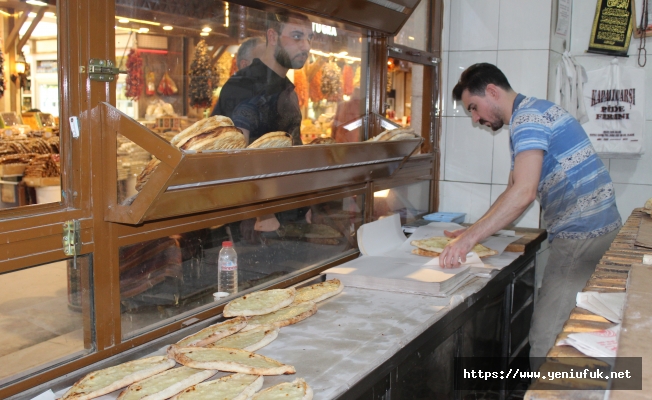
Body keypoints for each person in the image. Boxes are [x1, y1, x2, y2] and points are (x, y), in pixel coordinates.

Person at [442, 63, 621, 372]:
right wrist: (470, 232)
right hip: (598, 231)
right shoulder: (535, 110)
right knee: (580, 338)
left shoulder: (526, 120)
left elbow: (524, 193)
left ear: (493, 92)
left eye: (474, 107)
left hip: (581, 238)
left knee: (547, 343)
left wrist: (468, 241)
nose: (476, 118)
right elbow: (513, 189)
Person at [211, 11, 313, 145]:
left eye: (309, 38)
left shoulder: (288, 92)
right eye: (296, 36)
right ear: (272, 37)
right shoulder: (242, 87)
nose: (306, 46)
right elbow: (230, 156)